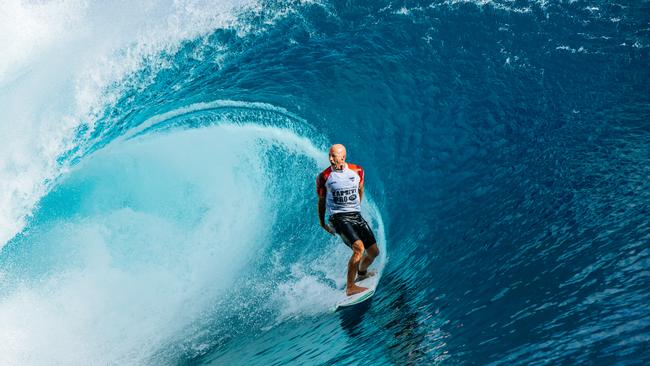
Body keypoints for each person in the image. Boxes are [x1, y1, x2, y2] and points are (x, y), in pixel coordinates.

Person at [316, 144, 380, 296]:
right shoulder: (324, 177)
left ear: (343, 157)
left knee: (373, 252)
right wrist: (322, 222)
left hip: (355, 215)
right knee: (359, 248)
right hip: (337, 217)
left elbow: (360, 189)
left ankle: (362, 273)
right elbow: (321, 200)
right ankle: (350, 287)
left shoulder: (357, 170)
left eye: (334, 156)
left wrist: (356, 207)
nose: (330, 159)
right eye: (329, 156)